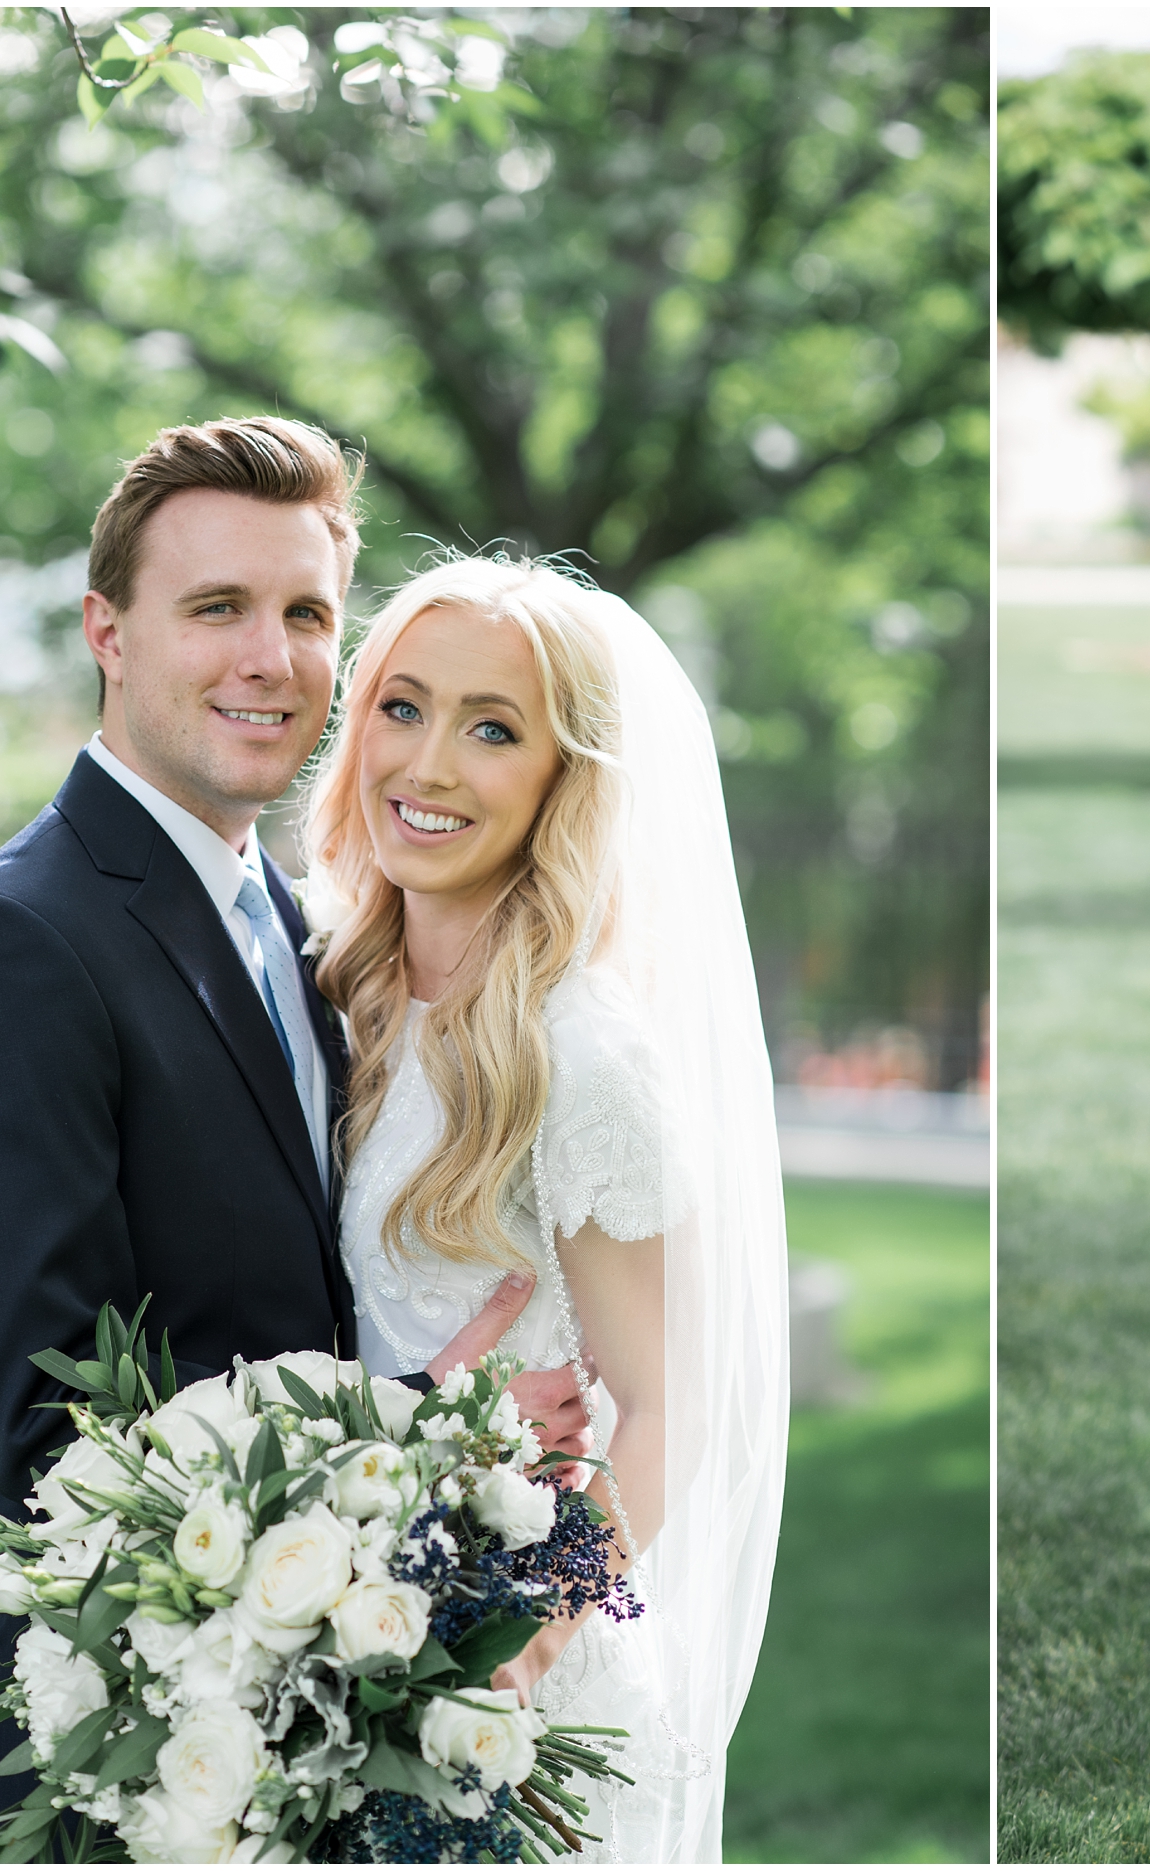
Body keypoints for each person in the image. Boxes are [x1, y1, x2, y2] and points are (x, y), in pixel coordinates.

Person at [0, 418, 586, 1862]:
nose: (270, 659)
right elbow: (54, 1441)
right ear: (109, 633)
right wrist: (420, 1434)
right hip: (93, 1763)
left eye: (307, 615)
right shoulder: (10, 947)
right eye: (216, 609)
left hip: (310, 1734)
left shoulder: (307, 922)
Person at [300, 553, 789, 1862]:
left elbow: (674, 1407)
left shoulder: (580, 1052)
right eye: (403, 707)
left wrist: (522, 1652)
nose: (432, 764)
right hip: (346, 1632)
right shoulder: (344, 984)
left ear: (564, 780)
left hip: (508, 1694)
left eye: (495, 729)